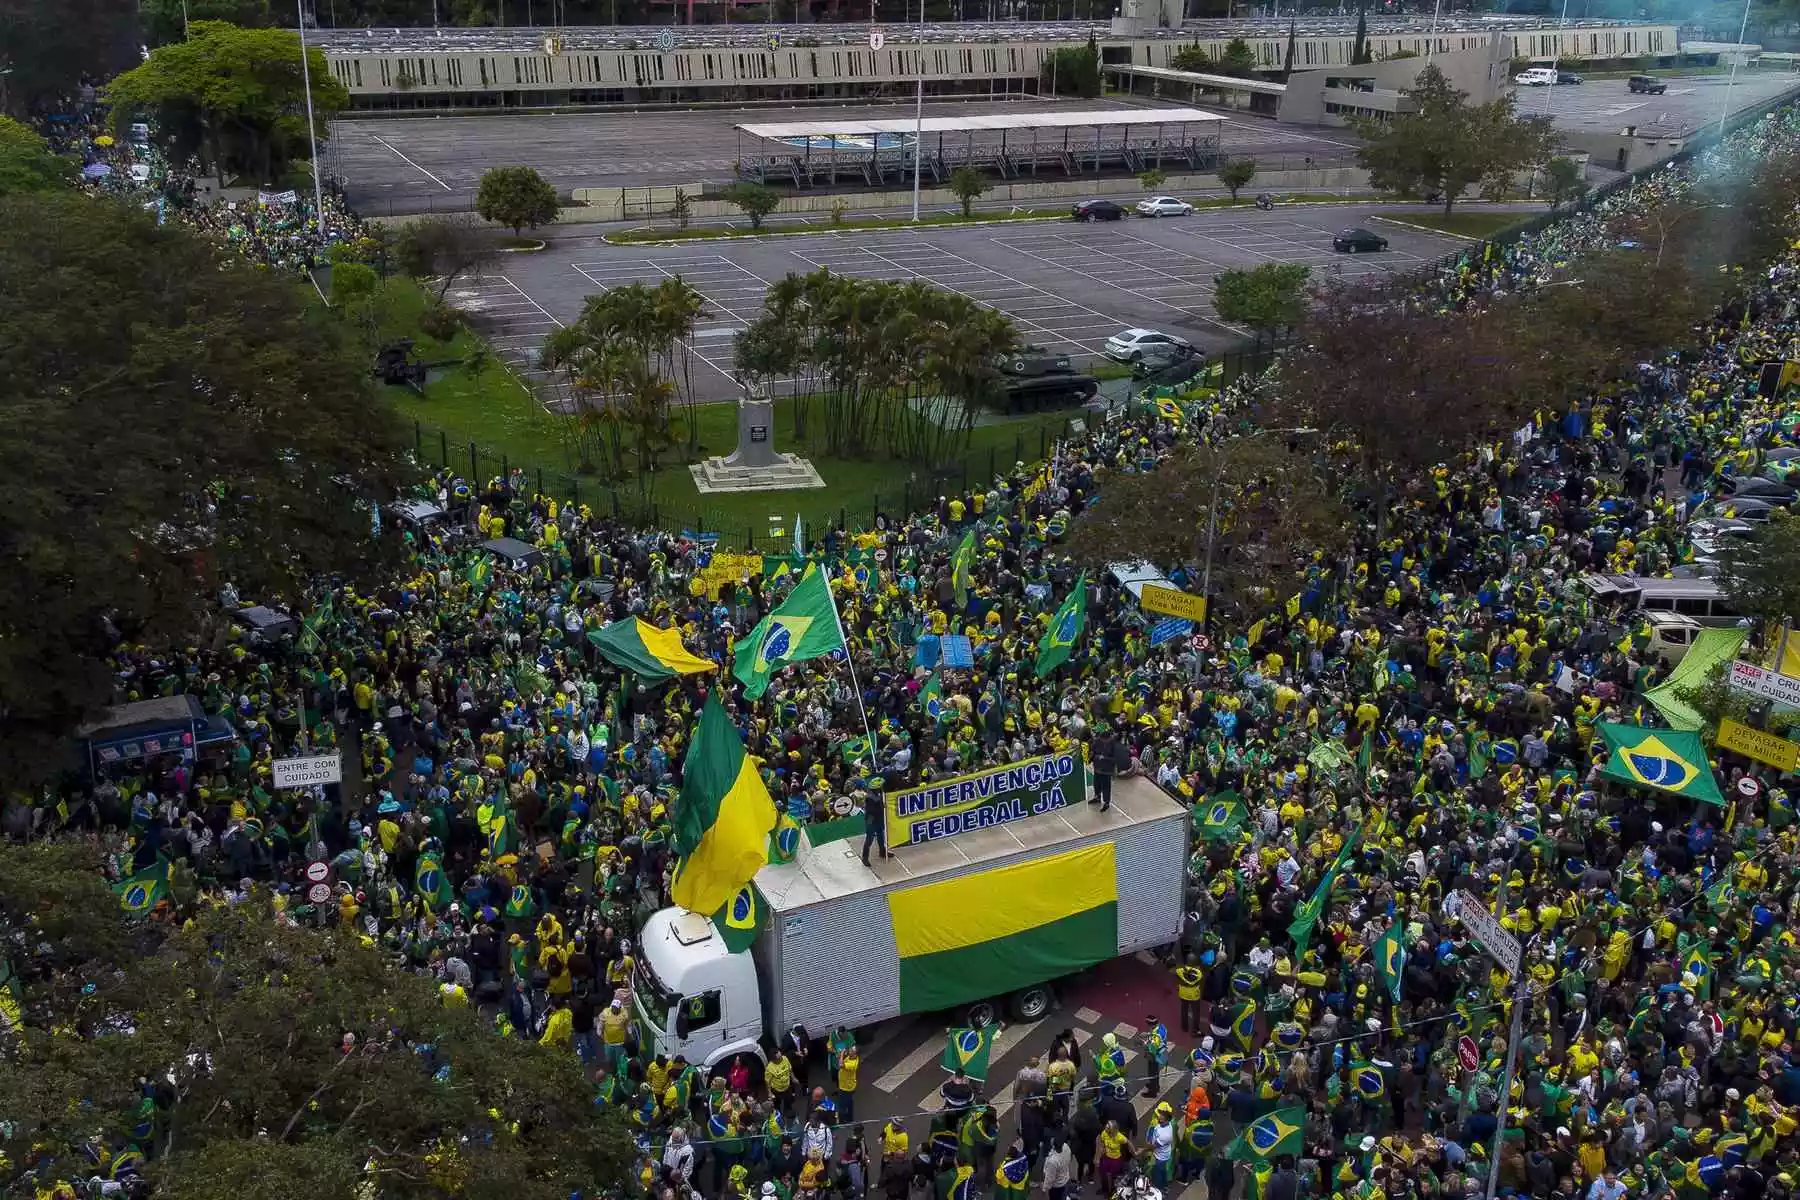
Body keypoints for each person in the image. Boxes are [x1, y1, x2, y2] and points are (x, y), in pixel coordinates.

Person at [861, 786, 888, 867]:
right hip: (871, 820)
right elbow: (871, 811)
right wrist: (882, 807)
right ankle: (865, 858)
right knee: (869, 839)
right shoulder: (869, 797)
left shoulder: (879, 793)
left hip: (879, 818)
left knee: (881, 835)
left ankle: (882, 851)